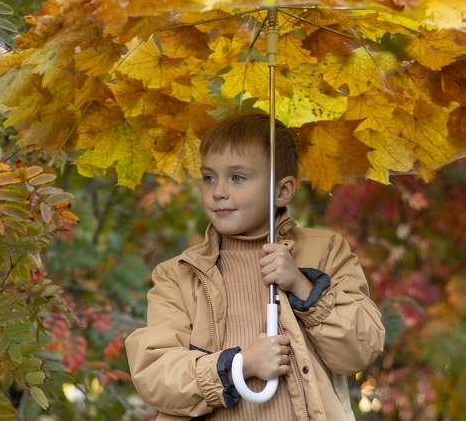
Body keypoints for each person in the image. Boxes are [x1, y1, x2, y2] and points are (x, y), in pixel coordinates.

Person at [125, 113, 385, 421]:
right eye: (209, 178)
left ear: (282, 191)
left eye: (237, 177)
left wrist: (302, 286)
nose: (218, 191)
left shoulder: (325, 252)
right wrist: (240, 365)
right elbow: (155, 374)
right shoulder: (178, 275)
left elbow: (359, 350)